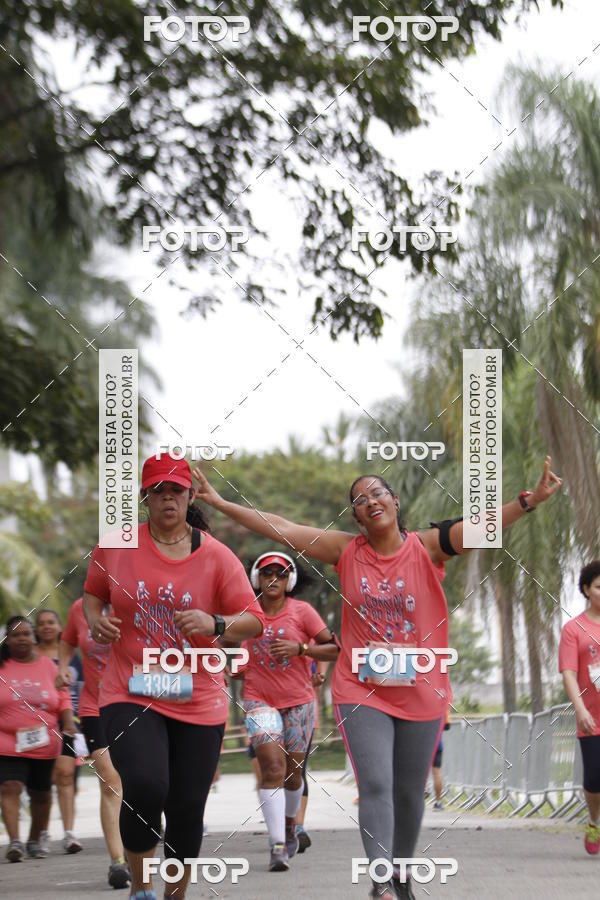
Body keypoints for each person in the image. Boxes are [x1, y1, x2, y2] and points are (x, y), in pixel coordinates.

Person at [193, 456, 562, 899]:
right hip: (362, 689)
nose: (370, 501)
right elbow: (282, 528)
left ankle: (402, 875)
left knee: (408, 792)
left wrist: (529, 501)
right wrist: (220, 502)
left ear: (395, 501)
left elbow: (483, 528)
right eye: (360, 500)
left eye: (377, 493)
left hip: (421, 687)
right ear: (357, 517)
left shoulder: (428, 547)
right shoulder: (346, 551)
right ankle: (381, 880)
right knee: (376, 784)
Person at [83, 452, 264, 900]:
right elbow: (92, 594)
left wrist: (215, 623)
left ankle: (175, 894)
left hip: (198, 696)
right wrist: (95, 621)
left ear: (190, 496)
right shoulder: (117, 545)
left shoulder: (217, 556)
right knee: (146, 785)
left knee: (186, 806)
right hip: (131, 687)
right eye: (158, 491)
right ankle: (141, 888)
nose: (168, 498)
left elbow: (254, 621)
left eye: (176, 491)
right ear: (145, 497)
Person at [230, 550, 338, 872]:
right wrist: (233, 667)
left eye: (280, 574)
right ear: (257, 579)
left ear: (289, 580)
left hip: (299, 702)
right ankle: (277, 844)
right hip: (258, 699)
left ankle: (291, 824)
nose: (273, 579)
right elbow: (235, 657)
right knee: (272, 768)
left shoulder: (302, 612)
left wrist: (301, 649)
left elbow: (334, 649)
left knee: (293, 775)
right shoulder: (247, 615)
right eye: (267, 573)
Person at [56, 597, 131, 888]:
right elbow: (67, 641)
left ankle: (137, 847)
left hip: (134, 703)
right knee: (110, 780)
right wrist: (63, 667)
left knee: (138, 781)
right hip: (94, 706)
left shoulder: (135, 600)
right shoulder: (80, 608)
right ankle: (117, 862)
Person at [0, 615, 75, 862]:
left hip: (44, 742)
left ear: (34, 638)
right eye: (15, 635)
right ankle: (15, 841)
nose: (21, 639)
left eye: (26, 634)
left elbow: (63, 698)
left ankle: (34, 839)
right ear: (7, 640)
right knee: (10, 786)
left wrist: (69, 724)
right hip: (7, 742)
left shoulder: (49, 666)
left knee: (41, 793)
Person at [559, 560, 600, 855]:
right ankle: (593, 820)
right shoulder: (574, 629)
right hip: (592, 717)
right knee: (594, 778)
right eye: (599, 587)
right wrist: (580, 709)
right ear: (586, 590)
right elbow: (569, 673)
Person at [35, 609, 83, 854]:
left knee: (66, 776)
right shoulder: (31, 655)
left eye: (51, 622)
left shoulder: (70, 654)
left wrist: (80, 721)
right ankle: (41, 833)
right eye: (41, 623)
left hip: (69, 720)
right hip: (38, 723)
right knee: (43, 780)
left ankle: (69, 834)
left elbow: (81, 687)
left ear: (59, 626)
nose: (46, 626)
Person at [295, 653, 337, 852]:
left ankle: (298, 828)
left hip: (304, 707)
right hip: (269, 706)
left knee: (298, 770)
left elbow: (327, 648)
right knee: (275, 771)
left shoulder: (308, 634)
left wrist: (320, 674)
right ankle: (280, 827)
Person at [431, 713, 450, 810]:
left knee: (418, 771)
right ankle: (438, 802)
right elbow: (447, 726)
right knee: (437, 772)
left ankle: (418, 796)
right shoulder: (443, 707)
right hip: (437, 743)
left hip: (421, 741)